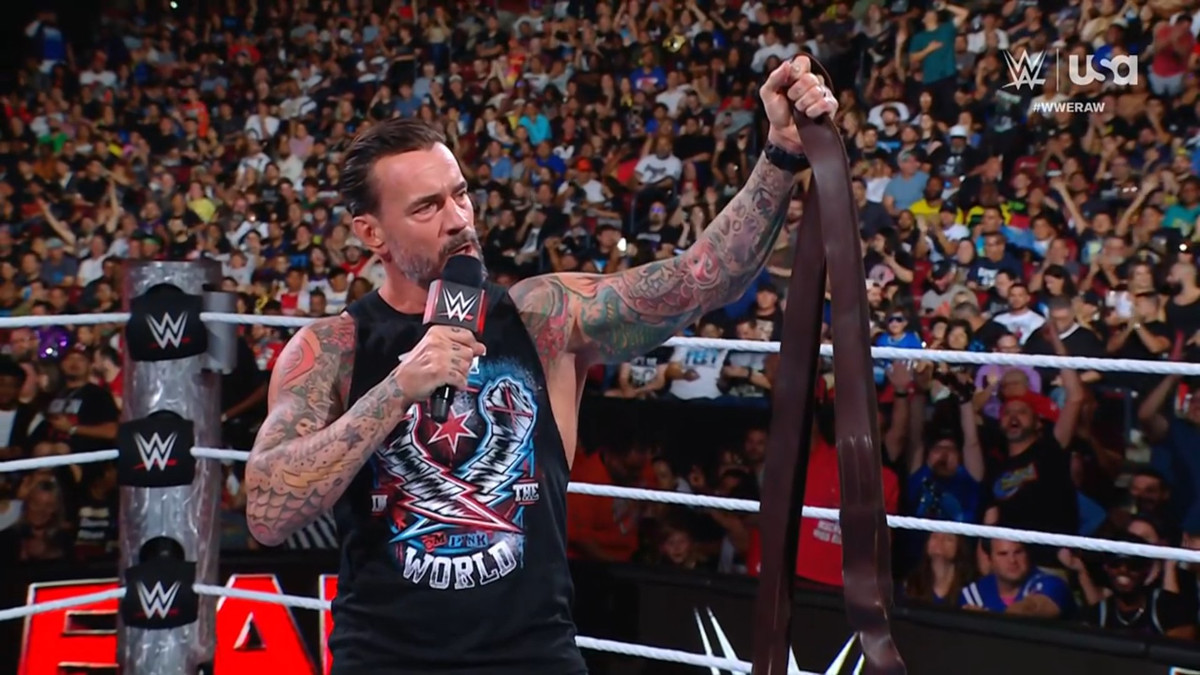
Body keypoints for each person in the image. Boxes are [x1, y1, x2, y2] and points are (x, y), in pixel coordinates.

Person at [244, 56, 838, 673]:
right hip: (384, 660)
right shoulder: (333, 349)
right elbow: (265, 512)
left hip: (531, 657)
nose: (458, 221)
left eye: (461, 195)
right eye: (426, 208)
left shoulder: (542, 316)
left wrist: (780, 155)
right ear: (371, 234)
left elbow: (699, 280)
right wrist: (397, 389)